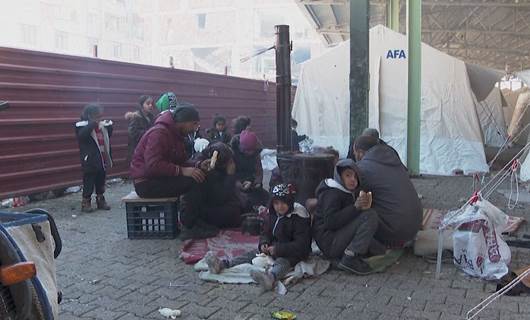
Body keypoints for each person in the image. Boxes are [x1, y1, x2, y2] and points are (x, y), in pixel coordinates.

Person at [130, 103, 217, 240]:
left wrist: (199, 164)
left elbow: (181, 161)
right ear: (184, 122)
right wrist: (182, 171)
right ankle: (189, 227)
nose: (195, 128)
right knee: (194, 181)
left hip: (159, 178)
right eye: (194, 124)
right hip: (146, 183)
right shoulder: (159, 133)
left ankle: (197, 220)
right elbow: (153, 165)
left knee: (200, 175)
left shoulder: (175, 135)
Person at [205, 183, 311, 291]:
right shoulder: (273, 215)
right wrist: (264, 243)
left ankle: (270, 278)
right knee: (250, 254)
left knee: (282, 263)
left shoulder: (298, 218)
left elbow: (302, 245)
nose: (280, 206)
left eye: (284, 203)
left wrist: (278, 249)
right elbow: (266, 232)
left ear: (289, 202)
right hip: (273, 249)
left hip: (292, 254)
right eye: (276, 203)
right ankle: (223, 264)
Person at [353, 135, 422, 247]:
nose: (355, 156)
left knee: (355, 208)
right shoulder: (394, 159)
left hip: (396, 233)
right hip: (415, 226)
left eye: (354, 153)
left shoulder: (363, 167)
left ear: (360, 152)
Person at [313, 159, 379, 275]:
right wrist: (355, 208)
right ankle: (350, 258)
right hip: (329, 241)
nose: (353, 180)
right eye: (348, 175)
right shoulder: (332, 193)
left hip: (335, 237)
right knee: (369, 216)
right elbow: (330, 222)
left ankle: (348, 256)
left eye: (355, 176)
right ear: (339, 177)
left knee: (378, 249)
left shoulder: (347, 191)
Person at [194, 142, 244, 228]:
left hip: (216, 202)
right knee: (234, 211)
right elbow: (220, 197)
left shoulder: (218, 164)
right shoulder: (208, 168)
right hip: (205, 209)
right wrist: (230, 176)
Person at [75, 104, 113, 213]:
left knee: (101, 180)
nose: (99, 118)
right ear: (89, 116)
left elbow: (108, 136)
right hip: (90, 159)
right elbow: (82, 136)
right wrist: (92, 124)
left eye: (100, 116)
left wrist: (109, 127)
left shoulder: (101, 126)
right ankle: (86, 202)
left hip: (101, 158)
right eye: (97, 116)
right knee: (89, 181)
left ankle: (100, 199)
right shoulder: (81, 125)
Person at [230, 129, 269, 208]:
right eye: (247, 150)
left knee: (265, 198)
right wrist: (235, 182)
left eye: (251, 150)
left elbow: (258, 171)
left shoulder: (256, 153)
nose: (250, 153)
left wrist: (255, 182)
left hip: (250, 182)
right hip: (235, 182)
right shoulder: (232, 153)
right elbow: (228, 172)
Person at [125, 95, 155, 164]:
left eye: (151, 103)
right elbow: (132, 133)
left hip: (147, 151)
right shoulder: (136, 117)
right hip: (137, 152)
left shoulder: (151, 117)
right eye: (148, 103)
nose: (150, 105)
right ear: (141, 105)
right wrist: (148, 133)